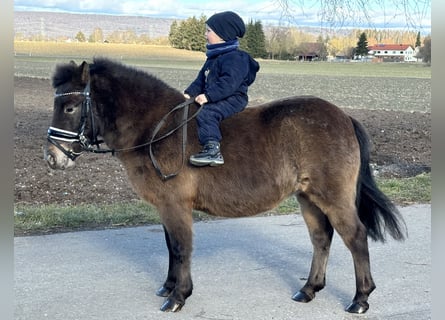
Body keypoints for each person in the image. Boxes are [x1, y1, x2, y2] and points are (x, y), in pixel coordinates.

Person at [184, 11, 260, 167]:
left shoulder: (235, 58)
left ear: (222, 34)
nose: (205, 35)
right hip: (218, 95)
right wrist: (188, 93)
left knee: (208, 112)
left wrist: (208, 96)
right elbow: (200, 80)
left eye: (208, 31)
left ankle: (213, 150)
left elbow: (229, 83)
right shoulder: (213, 58)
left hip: (233, 98)